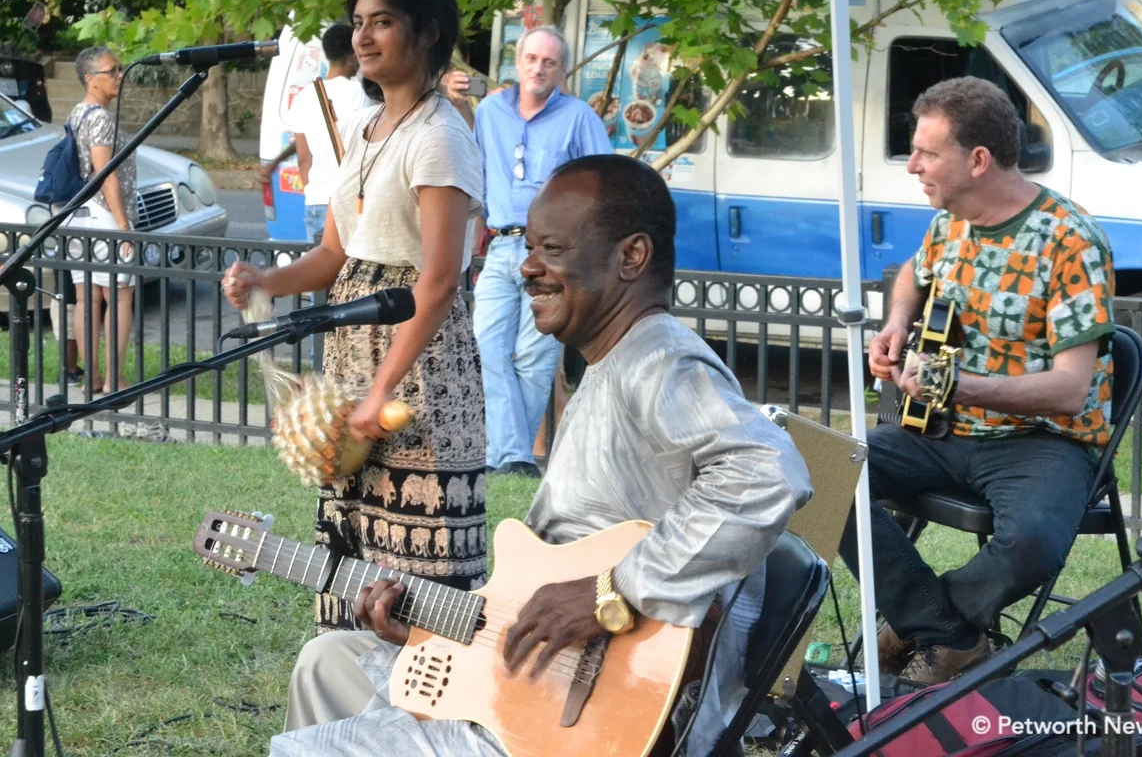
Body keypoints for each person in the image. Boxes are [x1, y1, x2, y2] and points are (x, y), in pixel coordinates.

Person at [269, 154, 813, 757]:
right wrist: (427, 628)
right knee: (328, 661)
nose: (527, 267)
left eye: (552, 248)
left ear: (631, 257)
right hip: (538, 679)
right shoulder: (612, 361)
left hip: (600, 715)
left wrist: (615, 591)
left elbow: (768, 473)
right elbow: (549, 580)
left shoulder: (660, 360)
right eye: (529, 247)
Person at [222, 0, 488, 633]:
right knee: (355, 545)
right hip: (354, 354)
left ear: (426, 32)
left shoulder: (439, 137)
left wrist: (381, 390)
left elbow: (436, 280)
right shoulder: (369, 131)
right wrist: (266, 281)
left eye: (383, 23)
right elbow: (337, 255)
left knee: (417, 575)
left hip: (416, 364)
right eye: (359, 24)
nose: (364, 38)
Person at [839, 77, 1116, 686]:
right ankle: (949, 636)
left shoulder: (1069, 240)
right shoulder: (951, 222)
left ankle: (911, 628)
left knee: (1033, 543)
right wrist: (896, 322)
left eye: (927, 154)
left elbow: (1071, 389)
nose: (912, 166)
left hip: (1046, 438)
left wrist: (957, 384)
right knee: (820, 474)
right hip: (942, 430)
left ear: (978, 160)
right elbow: (916, 269)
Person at [471, 25, 612, 478]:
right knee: (485, 346)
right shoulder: (490, 110)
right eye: (532, 59)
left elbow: (603, 182)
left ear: (562, 69)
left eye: (549, 62)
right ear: (518, 61)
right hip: (501, 244)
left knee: (534, 358)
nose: (539, 68)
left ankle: (504, 459)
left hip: (554, 253)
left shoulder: (578, 118)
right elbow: (476, 173)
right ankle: (511, 455)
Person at [258, 23, 371, 243]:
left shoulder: (305, 96)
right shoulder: (359, 93)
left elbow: (303, 156)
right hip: (348, 200)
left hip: (316, 200)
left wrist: (312, 190)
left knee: (319, 271)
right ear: (352, 56)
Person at [67, 46, 137, 396]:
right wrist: (124, 225)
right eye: (112, 71)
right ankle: (114, 380)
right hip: (104, 216)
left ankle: (91, 377)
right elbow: (105, 173)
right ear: (91, 79)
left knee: (87, 298)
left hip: (79, 216)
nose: (119, 75)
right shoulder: (100, 117)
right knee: (120, 297)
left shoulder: (77, 113)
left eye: (119, 68)